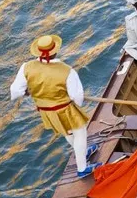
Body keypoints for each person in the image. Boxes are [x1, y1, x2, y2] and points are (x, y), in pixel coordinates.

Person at [10, 34, 98, 177]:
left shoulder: (26, 67)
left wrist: (27, 92)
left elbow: (15, 91)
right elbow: (77, 97)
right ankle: (82, 168)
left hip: (46, 111)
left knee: (66, 132)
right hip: (65, 109)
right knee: (80, 133)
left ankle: (82, 152)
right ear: (55, 50)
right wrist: (74, 104)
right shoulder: (67, 71)